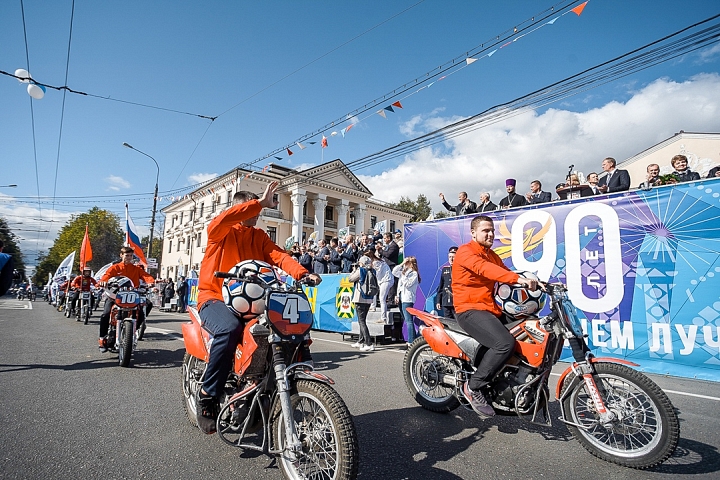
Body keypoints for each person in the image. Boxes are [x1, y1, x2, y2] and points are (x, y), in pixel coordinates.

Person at [194, 181, 321, 434]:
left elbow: (278, 256)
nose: (257, 213)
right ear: (238, 209)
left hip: (253, 301)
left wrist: (302, 274)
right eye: (251, 209)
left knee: (281, 331)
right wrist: (260, 202)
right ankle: (208, 394)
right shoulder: (220, 231)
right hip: (214, 297)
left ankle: (285, 385)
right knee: (229, 330)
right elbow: (226, 219)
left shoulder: (260, 236)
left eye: (259, 209)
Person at [452, 215, 538, 418]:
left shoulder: (492, 255)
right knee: (504, 343)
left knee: (528, 328)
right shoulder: (466, 252)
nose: (491, 234)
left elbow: (505, 272)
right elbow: (487, 270)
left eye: (492, 230)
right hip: (469, 309)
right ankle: (473, 387)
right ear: (473, 233)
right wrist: (518, 279)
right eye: (485, 231)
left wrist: (538, 282)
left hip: (490, 310)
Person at [99, 247, 155, 352]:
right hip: (115, 296)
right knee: (105, 314)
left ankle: (133, 329)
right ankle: (102, 338)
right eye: (126, 255)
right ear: (121, 255)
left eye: (130, 256)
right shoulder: (115, 268)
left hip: (132, 296)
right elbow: (106, 276)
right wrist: (103, 282)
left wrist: (151, 282)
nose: (129, 258)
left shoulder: (136, 269)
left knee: (144, 310)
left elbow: (146, 276)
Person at [348, 254, 375, 352]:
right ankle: (360, 341)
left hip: (359, 297)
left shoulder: (361, 270)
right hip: (369, 298)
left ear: (362, 263)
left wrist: (354, 270)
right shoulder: (373, 270)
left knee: (361, 321)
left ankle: (369, 343)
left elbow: (350, 279)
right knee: (363, 320)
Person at [393, 256, 421, 347]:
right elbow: (394, 272)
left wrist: (404, 275)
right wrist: (401, 264)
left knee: (409, 320)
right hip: (401, 297)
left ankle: (411, 341)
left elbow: (407, 284)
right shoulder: (404, 272)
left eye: (407, 263)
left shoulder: (414, 274)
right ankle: (413, 338)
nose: (405, 265)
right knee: (406, 319)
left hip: (408, 299)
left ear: (411, 264)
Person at [366, 248, 394, 325]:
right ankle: (373, 306)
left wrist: (369, 269)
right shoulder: (378, 261)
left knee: (382, 299)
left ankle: (383, 318)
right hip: (382, 280)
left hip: (386, 280)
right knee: (375, 292)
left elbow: (377, 274)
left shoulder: (376, 262)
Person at [435, 246, 457, 319]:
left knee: (458, 323)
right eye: (450, 257)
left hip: (456, 302)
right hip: (446, 301)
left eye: (453, 257)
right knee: (448, 321)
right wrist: (438, 301)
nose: (451, 259)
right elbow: (441, 286)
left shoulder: (461, 270)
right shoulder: (445, 270)